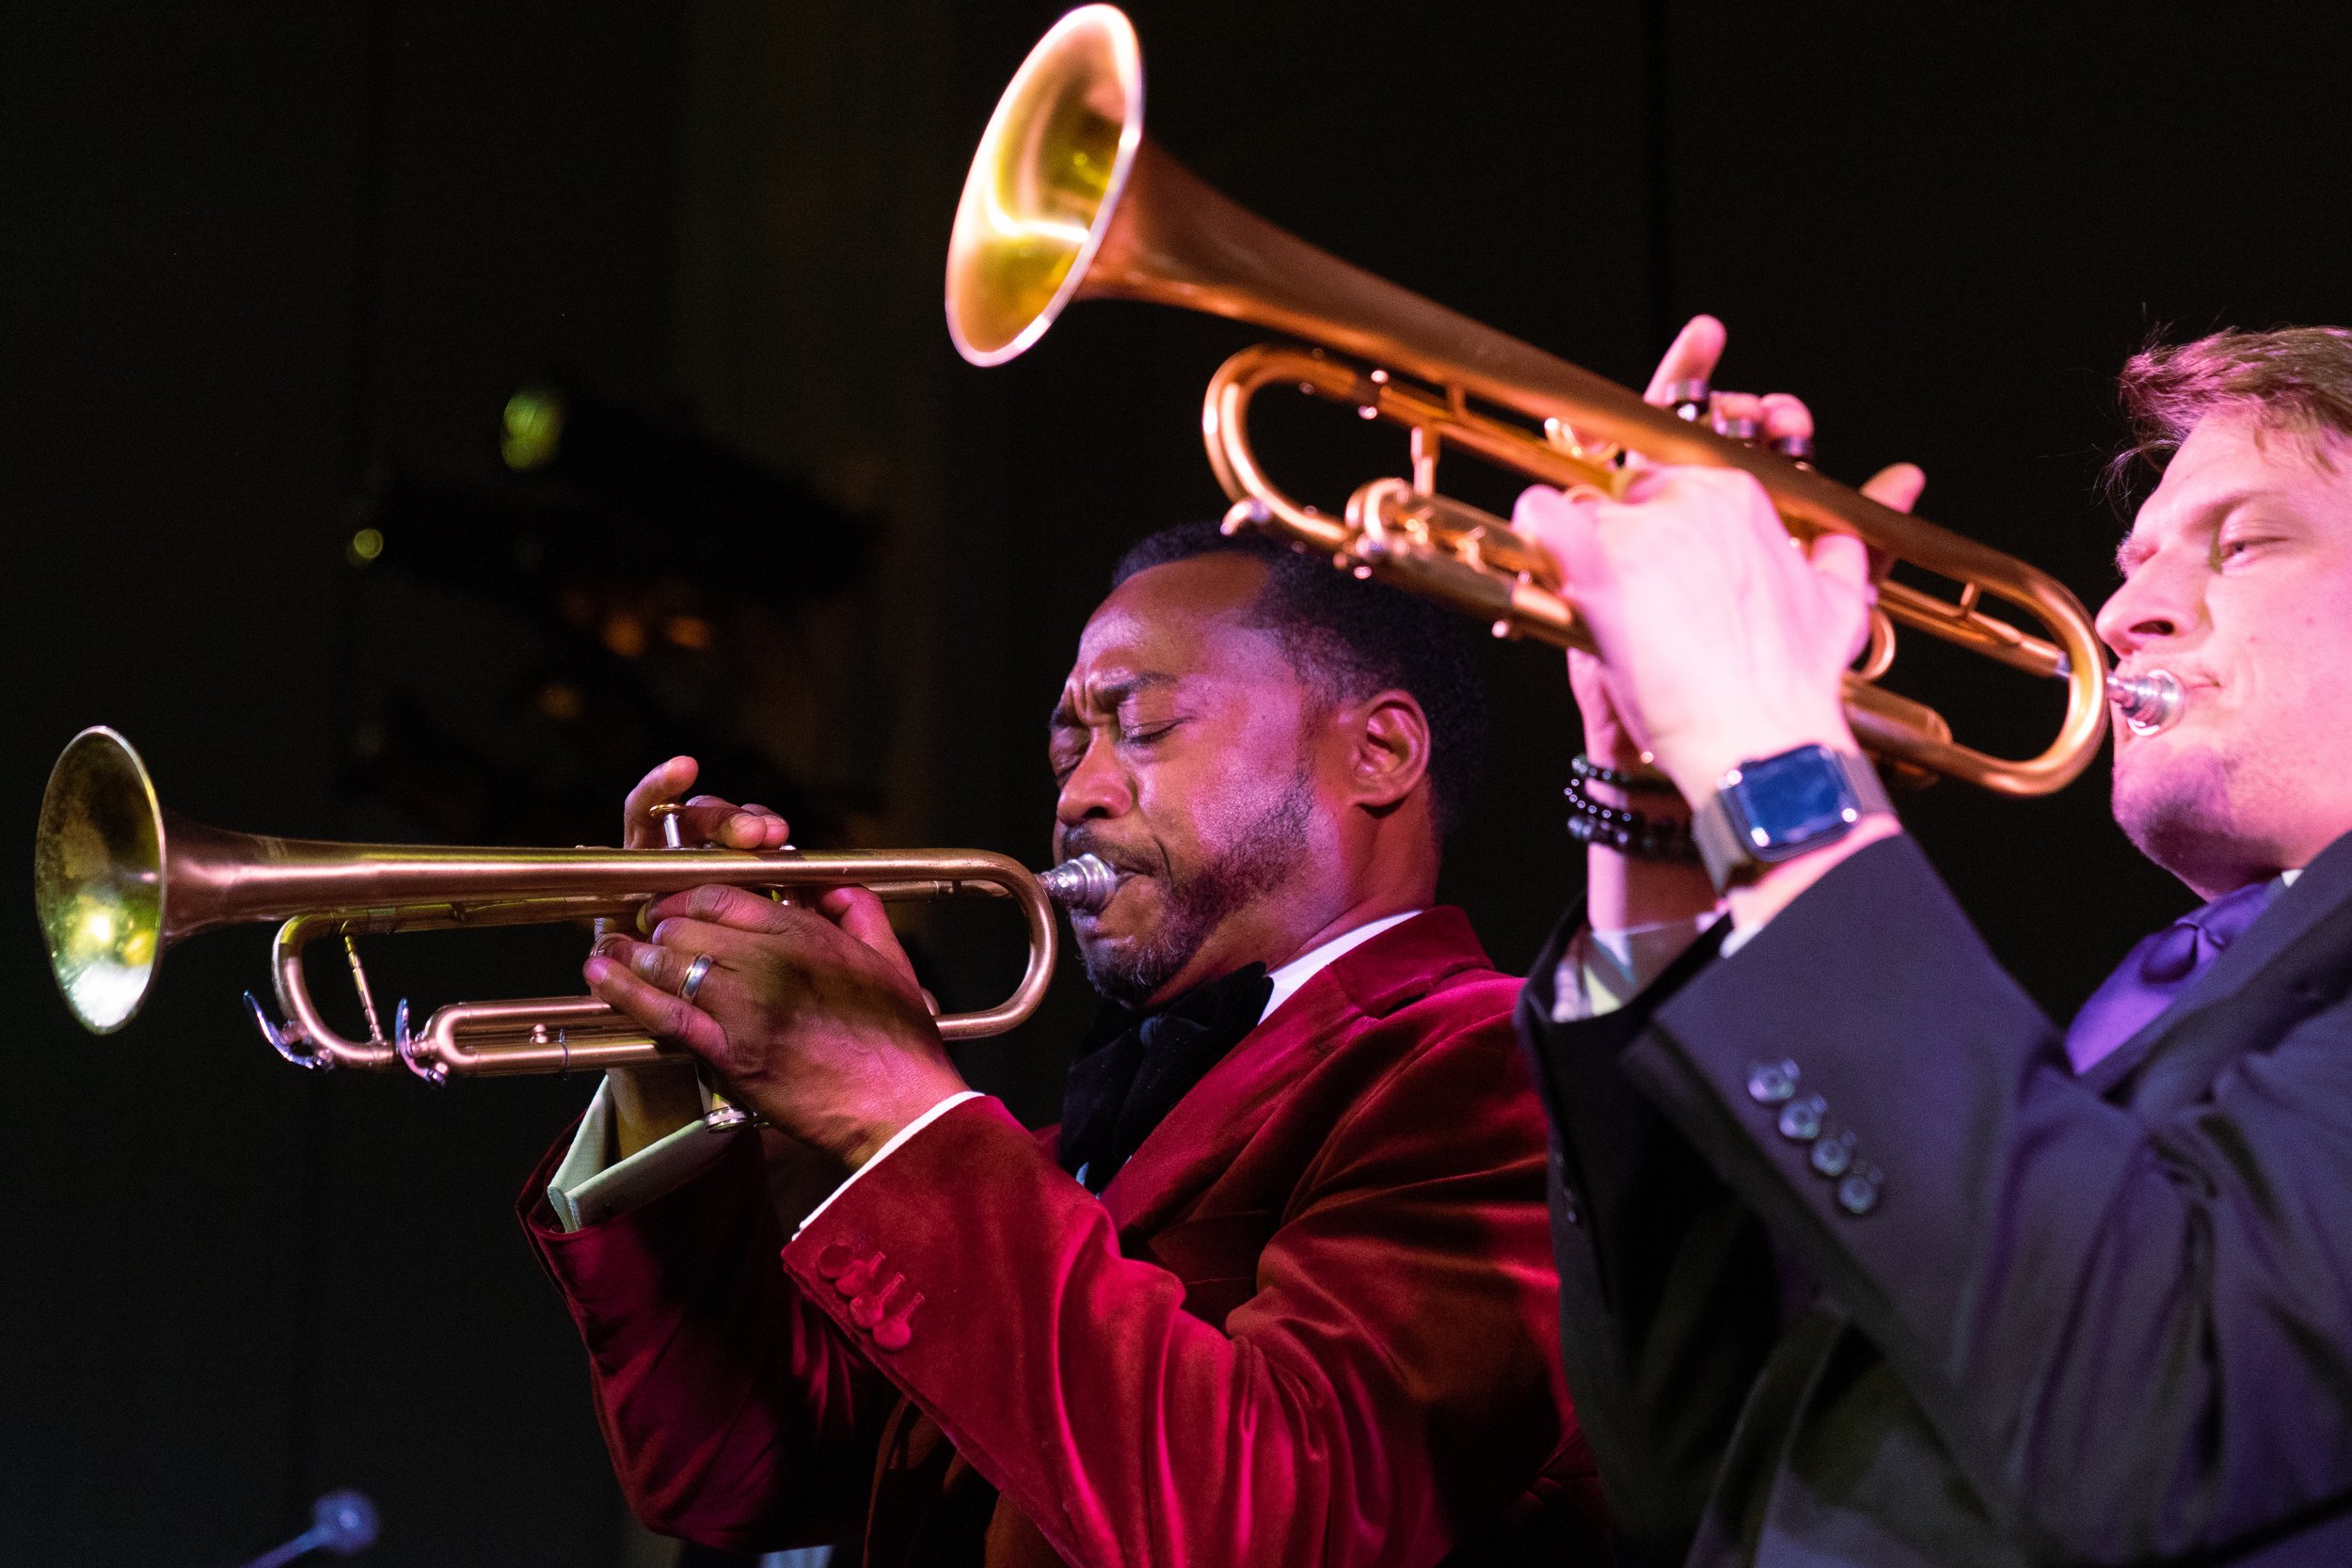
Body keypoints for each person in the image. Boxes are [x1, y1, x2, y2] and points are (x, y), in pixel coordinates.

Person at [518, 522, 1612, 1567]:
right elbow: (732, 1476)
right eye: (1067, 745)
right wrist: (675, 1061)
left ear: (1378, 751)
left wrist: (896, 1111)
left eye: (1141, 729)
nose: (1078, 793)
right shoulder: (1061, 1153)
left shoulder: (1501, 1064)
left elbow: (1280, 1521)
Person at [1509, 317, 2352, 1566]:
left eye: (2247, 540)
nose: (2126, 609)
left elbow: (2155, 1415)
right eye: (2137, 557)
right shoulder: (2172, 1005)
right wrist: (1655, 811)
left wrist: (1764, 740)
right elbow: (1695, 1456)